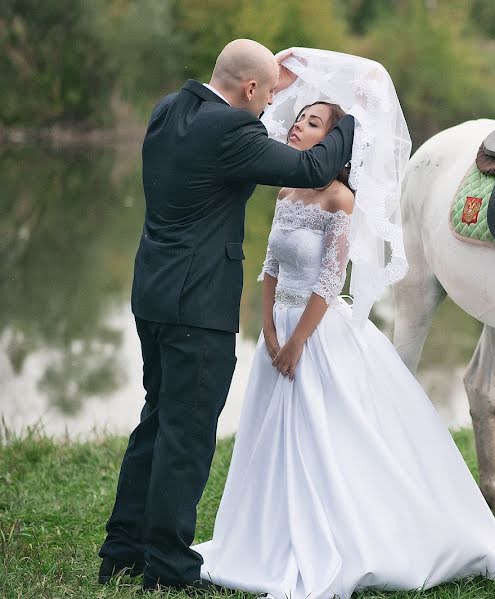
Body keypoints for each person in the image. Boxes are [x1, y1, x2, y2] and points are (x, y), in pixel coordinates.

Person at [191, 96, 495, 599]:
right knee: (273, 435)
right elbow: (269, 269)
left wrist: (296, 344)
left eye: (309, 124)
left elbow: (328, 283)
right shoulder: (286, 192)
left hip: (316, 334)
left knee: (328, 433)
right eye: (297, 121)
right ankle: (268, 533)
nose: (295, 129)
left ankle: (348, 529)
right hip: (279, 332)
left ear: (330, 142)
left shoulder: (340, 201)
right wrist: (267, 331)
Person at [97, 39, 356, 593]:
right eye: (265, 98)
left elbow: (244, 100)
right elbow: (315, 166)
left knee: (157, 420)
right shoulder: (234, 132)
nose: (268, 111)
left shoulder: (169, 109)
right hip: (198, 305)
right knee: (186, 435)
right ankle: (166, 565)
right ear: (250, 89)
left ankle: (122, 551)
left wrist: (264, 80)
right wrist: (349, 119)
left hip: (153, 295)